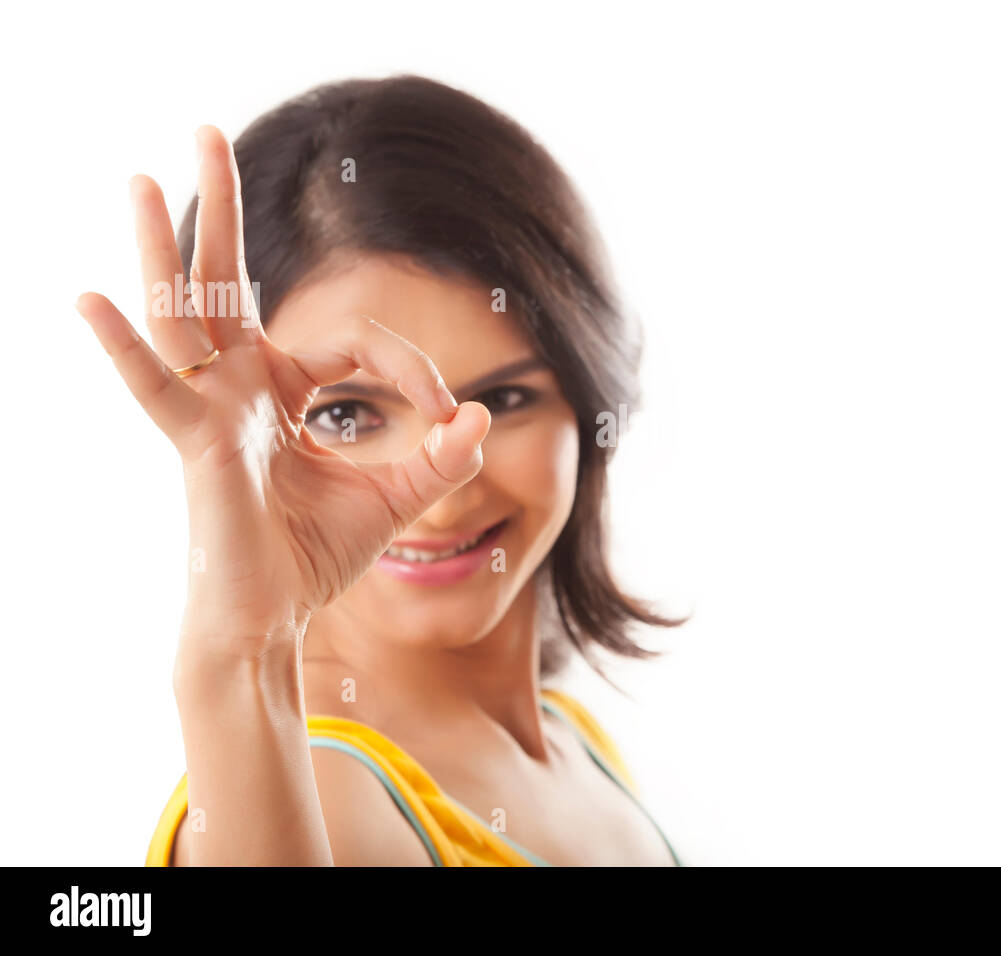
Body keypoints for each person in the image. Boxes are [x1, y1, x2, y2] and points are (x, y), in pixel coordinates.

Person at [74, 75, 684, 866]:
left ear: (587, 399)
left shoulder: (571, 738)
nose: (438, 498)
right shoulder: (327, 794)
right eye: (346, 414)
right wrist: (242, 647)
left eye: (503, 398)